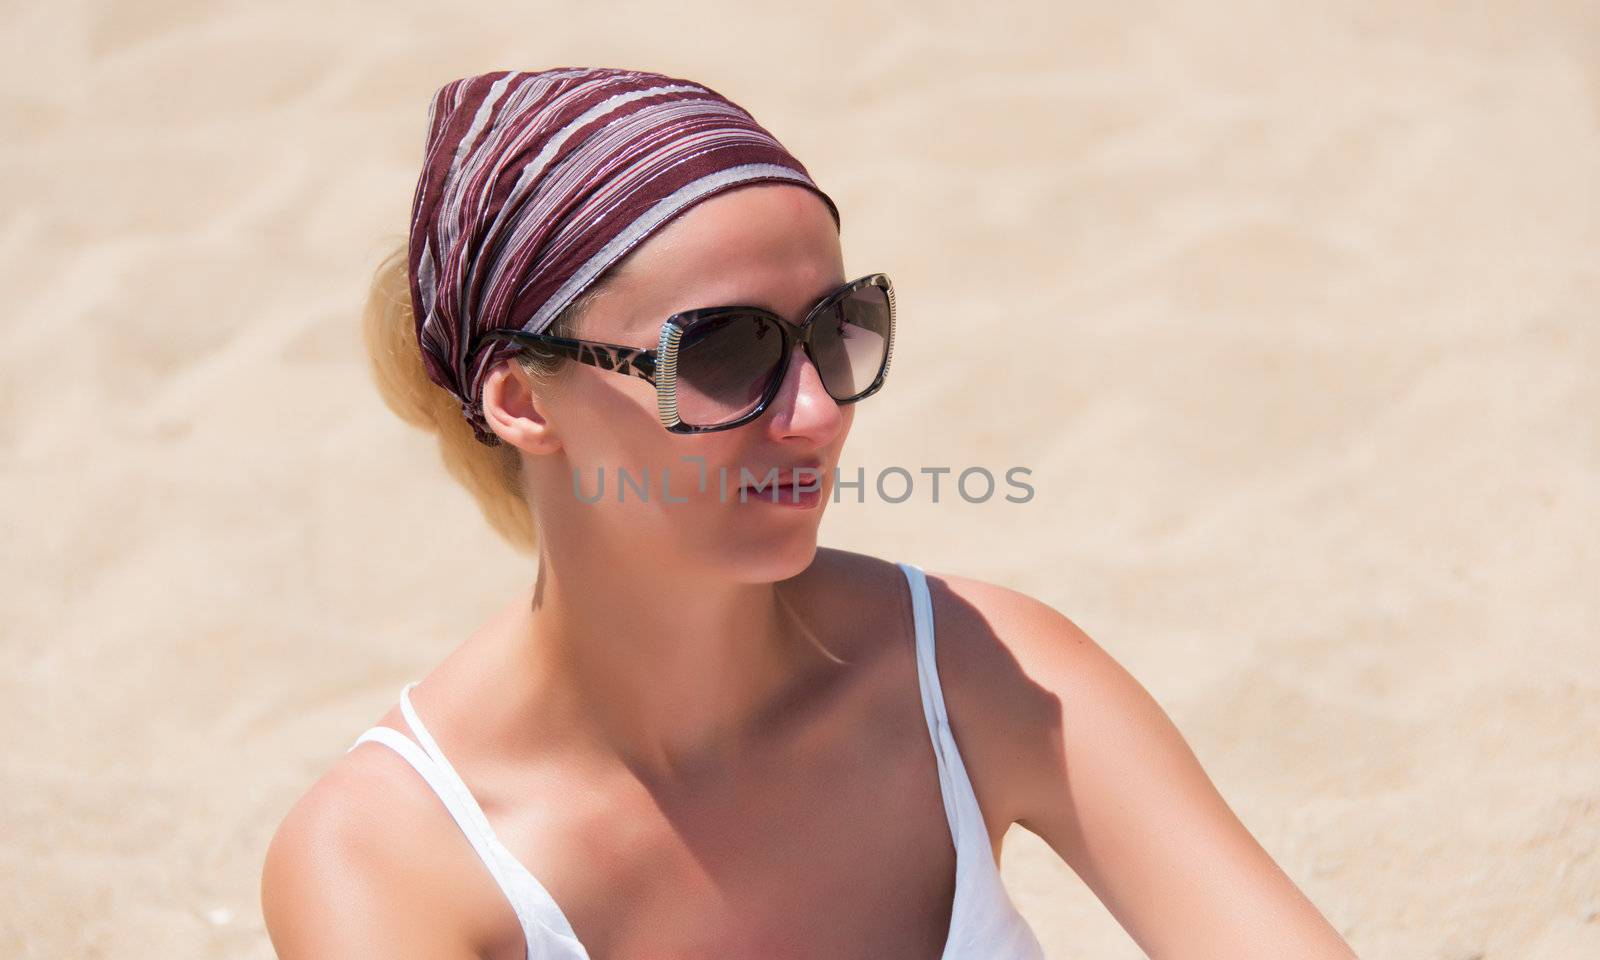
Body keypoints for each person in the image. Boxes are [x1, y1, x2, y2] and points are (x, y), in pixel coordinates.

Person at [260, 67, 1358, 959]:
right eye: (729, 351)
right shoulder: (386, 860)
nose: (817, 409)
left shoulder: (984, 672)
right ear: (517, 399)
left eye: (840, 327)